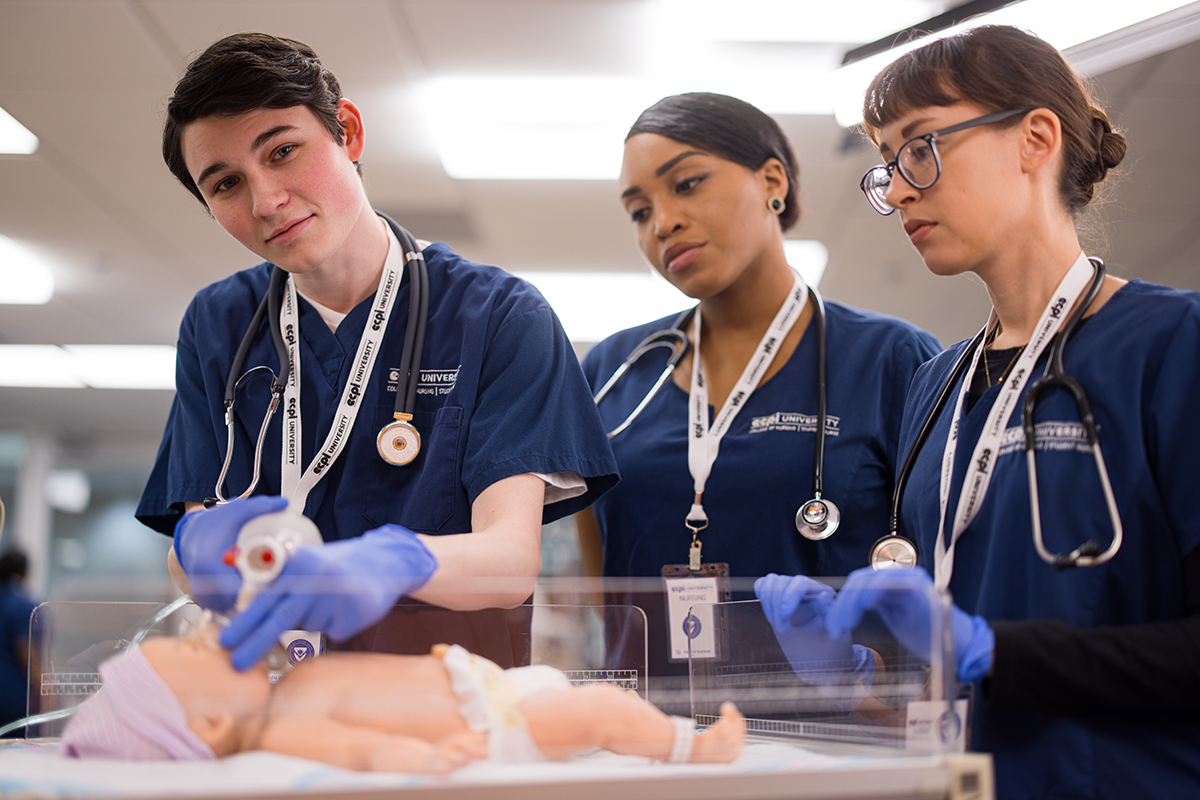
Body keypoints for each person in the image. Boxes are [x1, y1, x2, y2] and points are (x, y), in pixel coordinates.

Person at [759, 25, 1200, 800]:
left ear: (1034, 139)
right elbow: (938, 676)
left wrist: (994, 651)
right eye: (886, 167)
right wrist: (854, 677)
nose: (896, 191)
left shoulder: (1173, 347)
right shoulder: (937, 388)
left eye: (921, 147)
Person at [135, 33, 618, 672]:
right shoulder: (217, 324)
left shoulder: (499, 316)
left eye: (282, 150)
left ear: (349, 132)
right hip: (274, 697)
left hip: (450, 697)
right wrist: (195, 551)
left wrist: (394, 562)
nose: (265, 201)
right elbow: (194, 535)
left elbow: (509, 563)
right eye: (225, 184)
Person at [576, 93, 940, 703]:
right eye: (639, 212)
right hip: (651, 740)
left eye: (686, 184)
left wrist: (867, 687)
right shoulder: (614, 370)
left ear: (773, 180)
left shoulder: (891, 360)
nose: (662, 222)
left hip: (840, 744)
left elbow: (937, 578)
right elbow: (601, 589)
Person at [60, 629, 745, 770]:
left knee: (594, 707)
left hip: (497, 690)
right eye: (192, 654)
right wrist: (426, 756)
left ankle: (672, 734)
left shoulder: (287, 688)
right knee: (604, 711)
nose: (208, 636)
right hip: (499, 727)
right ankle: (694, 748)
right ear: (210, 721)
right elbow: (361, 748)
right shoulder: (282, 732)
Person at [0, 549, 36, 737]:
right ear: (24, 572)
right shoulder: (23, 605)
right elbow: (27, 652)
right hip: (12, 695)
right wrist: (47, 690)